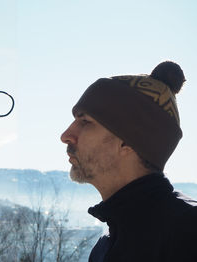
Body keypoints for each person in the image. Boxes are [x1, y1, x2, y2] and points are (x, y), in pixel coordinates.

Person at [60, 61, 197, 262]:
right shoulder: (104, 247)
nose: (66, 135)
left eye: (85, 122)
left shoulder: (188, 232)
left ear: (128, 141)